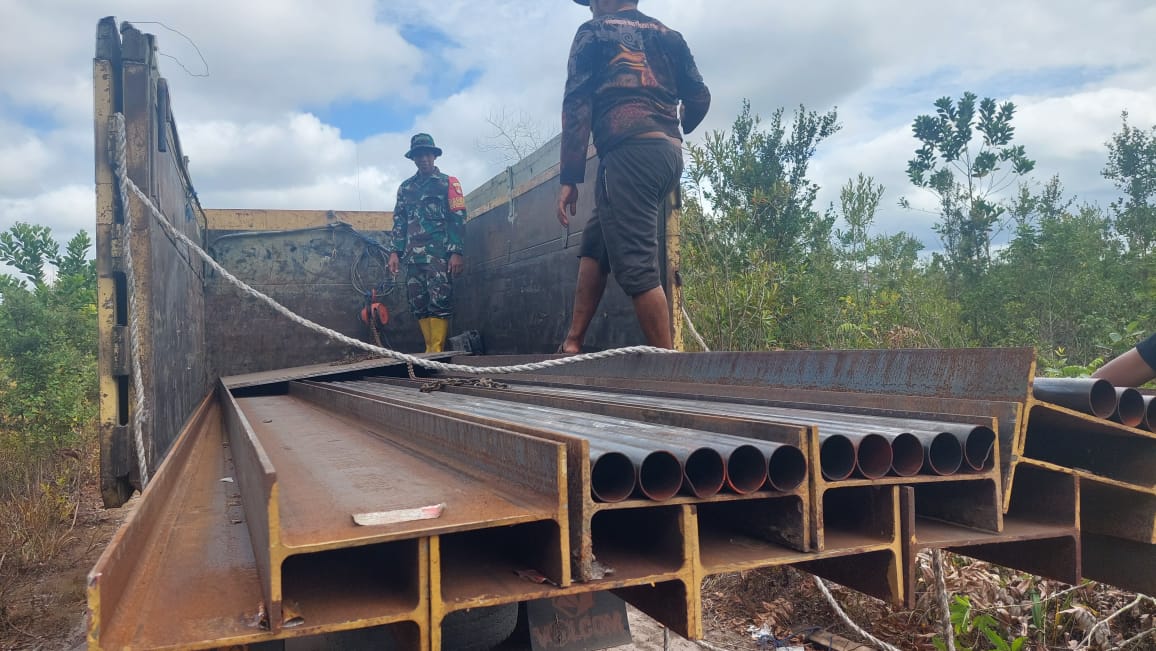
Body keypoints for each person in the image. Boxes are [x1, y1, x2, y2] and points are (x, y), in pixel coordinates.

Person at [556, 0, 710, 353]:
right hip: (668, 157)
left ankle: (671, 369)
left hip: (629, 155)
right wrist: (682, 122)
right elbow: (700, 97)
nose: (591, 9)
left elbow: (576, 104)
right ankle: (572, 342)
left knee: (638, 268)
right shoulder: (669, 36)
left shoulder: (594, 32)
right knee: (597, 242)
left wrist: (569, 177)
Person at [388, 133, 467, 353]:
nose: (423, 159)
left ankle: (436, 350)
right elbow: (399, 221)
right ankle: (429, 348)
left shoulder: (448, 183)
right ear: (413, 158)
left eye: (427, 154)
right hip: (412, 256)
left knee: (439, 300)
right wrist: (394, 252)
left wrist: (456, 252)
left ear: (434, 156)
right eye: (418, 155)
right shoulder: (405, 188)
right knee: (418, 302)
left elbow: (458, 218)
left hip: (438, 254)